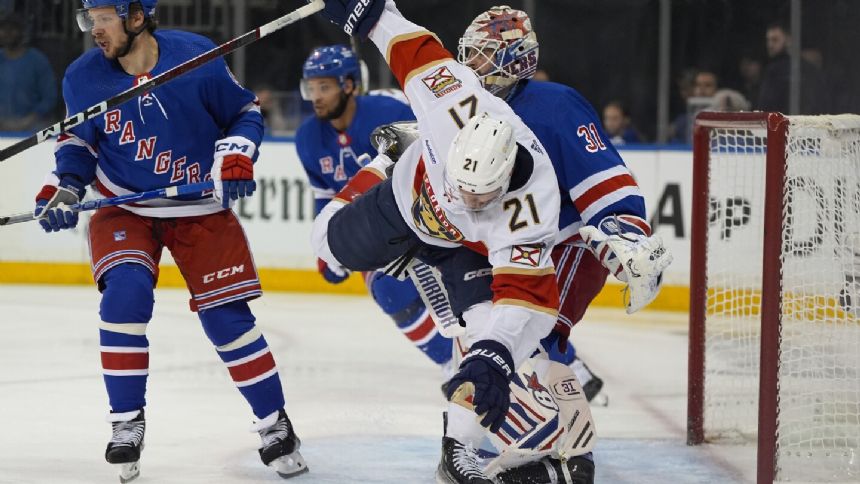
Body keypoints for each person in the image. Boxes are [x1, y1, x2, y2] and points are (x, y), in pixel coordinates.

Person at [312, 1, 671, 483]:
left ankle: (499, 445)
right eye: (470, 55)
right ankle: (550, 438)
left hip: (532, 247)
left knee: (521, 342)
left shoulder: (547, 142)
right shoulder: (455, 95)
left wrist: (623, 231)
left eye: (484, 56)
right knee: (331, 245)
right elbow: (408, 46)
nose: (472, 65)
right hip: (426, 212)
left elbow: (607, 189)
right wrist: (369, 12)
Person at [33, 1, 306, 481]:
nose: (94, 30)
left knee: (227, 319)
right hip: (124, 204)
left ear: (136, 17)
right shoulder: (82, 76)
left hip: (198, 204)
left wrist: (238, 151)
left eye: (104, 19)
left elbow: (243, 111)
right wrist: (66, 188)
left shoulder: (195, 57)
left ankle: (274, 423)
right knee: (125, 294)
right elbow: (78, 142)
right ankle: (125, 423)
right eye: (89, 20)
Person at [294, 44, 454, 376]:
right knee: (389, 291)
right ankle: (451, 364)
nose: (316, 96)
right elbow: (325, 194)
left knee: (468, 286)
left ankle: (565, 364)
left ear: (349, 85)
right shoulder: (307, 137)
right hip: (378, 227)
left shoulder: (387, 109)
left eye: (324, 86)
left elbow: (438, 148)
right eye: (311, 87)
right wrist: (327, 252)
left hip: (429, 213)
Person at [757, 22, 829, 114]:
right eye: (768, 40)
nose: (770, 45)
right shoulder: (804, 67)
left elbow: (765, 107)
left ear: (789, 40)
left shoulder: (776, 70)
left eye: (775, 40)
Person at [0, 16, 58, 131]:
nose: (7, 33)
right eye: (3, 29)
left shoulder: (37, 60)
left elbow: (50, 97)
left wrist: (28, 121)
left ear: (22, 32)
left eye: (12, 29)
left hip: (33, 125)